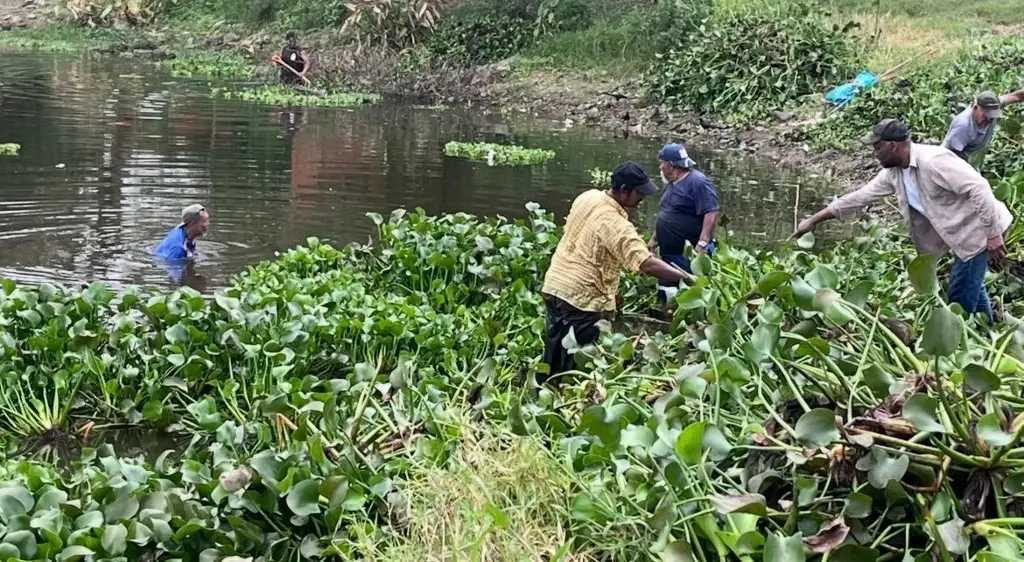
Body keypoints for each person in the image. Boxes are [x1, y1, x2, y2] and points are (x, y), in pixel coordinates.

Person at [794, 119, 1013, 323]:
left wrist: (992, 234)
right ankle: (989, 326)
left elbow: (979, 187)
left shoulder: (933, 161)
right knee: (971, 285)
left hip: (981, 230)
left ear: (892, 146)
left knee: (959, 296)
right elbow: (860, 197)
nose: (875, 154)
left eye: (877, 148)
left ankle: (964, 343)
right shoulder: (895, 173)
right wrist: (814, 220)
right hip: (960, 235)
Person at [540, 162, 694, 382]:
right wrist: (688, 278)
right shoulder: (615, 223)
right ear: (624, 190)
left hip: (556, 286)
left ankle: (544, 390)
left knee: (555, 348)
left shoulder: (589, 197)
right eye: (638, 193)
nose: (641, 199)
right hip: (581, 299)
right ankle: (565, 397)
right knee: (577, 360)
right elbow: (647, 264)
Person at [648, 142, 720, 284]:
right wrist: (654, 240)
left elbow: (711, 211)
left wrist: (703, 242)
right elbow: (667, 213)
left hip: (688, 253)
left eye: (662, 163)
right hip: (669, 254)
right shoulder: (672, 184)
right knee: (667, 291)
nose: (660, 167)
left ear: (671, 165)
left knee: (688, 289)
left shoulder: (698, 182)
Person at [941, 89, 1024, 163]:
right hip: (949, 160)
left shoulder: (994, 104)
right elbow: (952, 155)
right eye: (985, 116)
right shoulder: (963, 124)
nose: (988, 120)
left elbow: (1016, 96)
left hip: (974, 157)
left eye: (992, 116)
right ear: (975, 108)